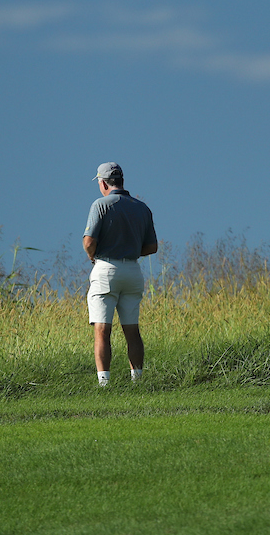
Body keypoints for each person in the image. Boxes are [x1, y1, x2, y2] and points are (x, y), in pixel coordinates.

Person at [84, 162, 158, 387]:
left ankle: (104, 384)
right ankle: (138, 381)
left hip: (106, 268)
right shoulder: (142, 207)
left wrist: (92, 256)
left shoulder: (100, 205)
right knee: (132, 330)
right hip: (133, 271)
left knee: (102, 329)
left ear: (103, 182)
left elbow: (89, 242)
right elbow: (152, 247)